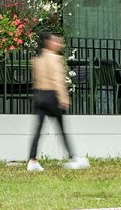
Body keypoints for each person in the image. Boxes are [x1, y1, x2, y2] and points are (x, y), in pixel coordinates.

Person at [26, 33, 89, 171]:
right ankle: (73, 158)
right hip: (51, 97)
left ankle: (32, 160)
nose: (59, 44)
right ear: (49, 43)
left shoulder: (37, 58)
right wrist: (64, 99)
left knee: (37, 130)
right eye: (56, 42)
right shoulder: (55, 58)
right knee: (62, 129)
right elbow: (58, 81)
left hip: (39, 96)